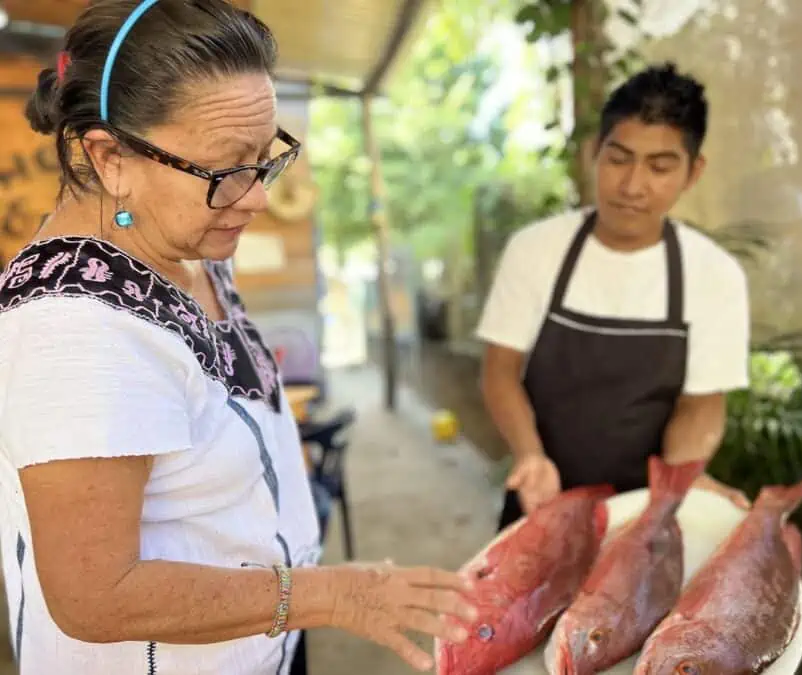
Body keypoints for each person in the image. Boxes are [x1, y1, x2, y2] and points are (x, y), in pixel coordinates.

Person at [0, 1, 478, 673]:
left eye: (265, 158)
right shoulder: (74, 330)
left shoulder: (181, 238)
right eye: (227, 171)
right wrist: (331, 594)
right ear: (110, 157)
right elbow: (94, 595)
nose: (254, 197)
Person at [477, 62, 752, 531]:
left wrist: (679, 481)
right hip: (541, 501)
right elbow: (500, 371)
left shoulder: (713, 275)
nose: (632, 186)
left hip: (646, 518)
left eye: (660, 167)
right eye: (619, 159)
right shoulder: (538, 249)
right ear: (594, 152)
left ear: (692, 172)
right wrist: (530, 455)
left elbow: (701, 404)